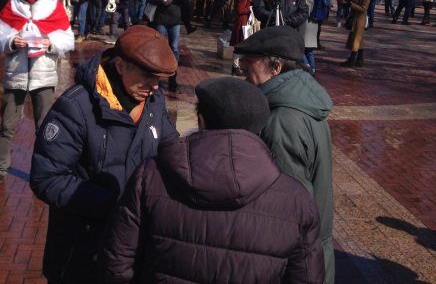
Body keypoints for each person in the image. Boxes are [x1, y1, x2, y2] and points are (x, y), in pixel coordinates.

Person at [100, 76, 325, 284]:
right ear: (259, 130)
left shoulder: (150, 176)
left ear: (201, 121)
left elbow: (117, 263)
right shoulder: (296, 200)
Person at [30, 26, 179, 284]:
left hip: (130, 253)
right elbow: (47, 178)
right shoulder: (76, 107)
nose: (155, 86)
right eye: (147, 75)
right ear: (120, 65)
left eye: (160, 79)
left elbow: (170, 151)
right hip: (80, 250)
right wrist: (119, 203)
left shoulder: (154, 102)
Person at [235, 26, 335, 283]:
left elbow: (288, 210)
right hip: (310, 254)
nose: (243, 69)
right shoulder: (300, 101)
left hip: (294, 264)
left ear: (276, 67)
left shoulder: (282, 119)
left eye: (250, 63)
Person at [0, 0, 74, 190]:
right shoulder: (12, 7)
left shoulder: (52, 6)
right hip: (16, 74)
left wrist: (50, 43)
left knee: (45, 128)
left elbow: (68, 39)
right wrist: (12, 41)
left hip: (43, 76)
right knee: (7, 126)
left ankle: (45, 173)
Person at [147, 0, 186, 92]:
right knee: (159, 46)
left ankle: (173, 77)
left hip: (175, 19)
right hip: (161, 18)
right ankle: (156, 75)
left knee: (174, 48)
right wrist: (162, 1)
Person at [342, 0, 370, 67]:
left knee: (356, 41)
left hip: (360, 20)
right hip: (354, 19)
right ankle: (360, 59)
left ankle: (352, 60)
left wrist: (351, 4)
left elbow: (363, 9)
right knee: (359, 40)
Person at [229, 0, 253, 76]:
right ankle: (236, 66)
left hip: (241, 21)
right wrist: (249, 8)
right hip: (241, 21)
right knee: (239, 44)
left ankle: (237, 65)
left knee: (240, 44)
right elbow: (240, 10)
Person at [299, 0, 320, 75]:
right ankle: (312, 69)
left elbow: (306, 12)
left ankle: (308, 68)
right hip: (312, 25)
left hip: (307, 26)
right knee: (309, 50)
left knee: (301, 48)